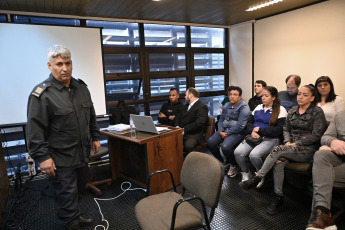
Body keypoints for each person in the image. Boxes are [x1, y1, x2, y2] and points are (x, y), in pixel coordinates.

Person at [27, 45, 101, 230]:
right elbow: (35, 129)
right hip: (60, 156)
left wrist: (95, 136)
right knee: (65, 193)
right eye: (59, 64)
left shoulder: (81, 88)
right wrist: (43, 157)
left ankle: (74, 214)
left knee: (78, 189)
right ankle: (69, 223)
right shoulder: (42, 94)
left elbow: (91, 115)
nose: (64, 68)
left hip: (82, 154)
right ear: (49, 66)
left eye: (68, 63)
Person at [240, 84, 327, 215]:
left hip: (306, 149)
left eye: (305, 95)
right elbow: (286, 129)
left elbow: (316, 135)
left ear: (312, 97)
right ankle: (279, 198)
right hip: (289, 147)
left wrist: (297, 142)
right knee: (278, 162)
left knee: (277, 150)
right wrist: (287, 142)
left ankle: (258, 177)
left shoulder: (317, 112)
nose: (300, 97)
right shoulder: (293, 110)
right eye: (299, 94)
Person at [234, 86, 287, 187]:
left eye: (266, 96)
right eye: (262, 95)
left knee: (254, 155)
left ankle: (261, 175)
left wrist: (261, 130)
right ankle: (245, 172)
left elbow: (279, 130)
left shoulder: (281, 109)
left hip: (271, 139)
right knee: (238, 152)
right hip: (254, 137)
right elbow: (249, 123)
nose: (263, 98)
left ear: (273, 97)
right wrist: (252, 131)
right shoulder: (258, 107)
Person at [306, 110, 345, 230]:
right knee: (321, 154)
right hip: (340, 156)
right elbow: (326, 137)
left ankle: (319, 222)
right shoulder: (341, 115)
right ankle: (323, 214)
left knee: (321, 179)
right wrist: (333, 142)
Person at [207, 86, 250, 177]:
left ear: (240, 96)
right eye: (230, 94)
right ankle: (223, 161)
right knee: (210, 143)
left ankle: (233, 164)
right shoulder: (227, 105)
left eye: (235, 95)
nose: (232, 97)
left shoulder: (244, 107)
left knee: (225, 147)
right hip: (224, 130)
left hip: (238, 132)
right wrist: (221, 131)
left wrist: (228, 133)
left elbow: (241, 125)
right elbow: (221, 119)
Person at [175, 87, 208, 155]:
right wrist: (177, 127)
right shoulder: (185, 106)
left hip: (194, 134)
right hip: (182, 132)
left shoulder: (202, 106)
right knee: (169, 142)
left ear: (190, 95)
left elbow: (199, 123)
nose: (184, 97)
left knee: (188, 146)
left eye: (186, 95)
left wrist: (184, 130)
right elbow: (177, 117)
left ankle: (192, 163)